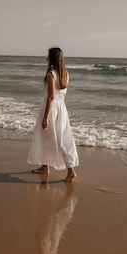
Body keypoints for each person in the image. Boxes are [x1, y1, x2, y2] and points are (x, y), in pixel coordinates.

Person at [28, 47, 79, 182]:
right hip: (61, 108)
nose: (46, 58)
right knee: (55, 137)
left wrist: (45, 117)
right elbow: (63, 95)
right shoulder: (65, 74)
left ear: (52, 58)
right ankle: (45, 167)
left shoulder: (51, 74)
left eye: (48, 56)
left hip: (50, 107)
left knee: (57, 139)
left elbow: (51, 97)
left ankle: (71, 170)